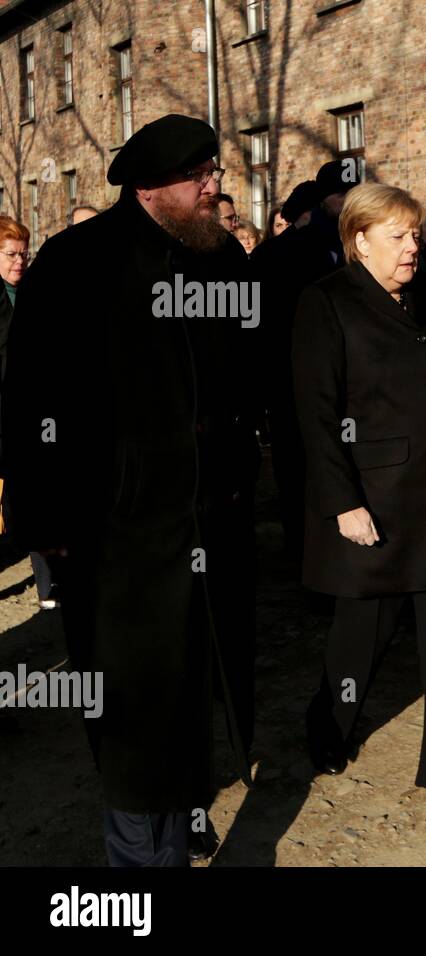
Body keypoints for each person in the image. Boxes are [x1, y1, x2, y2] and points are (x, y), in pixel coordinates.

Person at [1, 114, 260, 865]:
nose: (215, 185)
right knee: (130, 720)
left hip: (210, 529)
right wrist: (44, 515)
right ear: (150, 188)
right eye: (198, 175)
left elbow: (248, 376)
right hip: (114, 540)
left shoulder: (222, 262)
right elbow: (32, 401)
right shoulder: (77, 263)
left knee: (194, 705)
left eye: (215, 170)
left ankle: (180, 824)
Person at [293, 183, 426, 809]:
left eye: (415, 235)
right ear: (360, 241)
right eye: (399, 237)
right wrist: (342, 503)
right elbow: (316, 414)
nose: (413, 247)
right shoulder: (325, 305)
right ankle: (329, 727)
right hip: (372, 503)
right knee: (362, 638)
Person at [250, 163, 357, 561]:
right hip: (291, 384)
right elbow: (257, 328)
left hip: (347, 383)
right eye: (339, 195)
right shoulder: (275, 256)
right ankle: (308, 556)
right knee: (300, 473)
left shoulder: (357, 246)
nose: (347, 202)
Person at [0, 215, 56, 610]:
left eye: (24, 253)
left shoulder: (36, 292)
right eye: (10, 254)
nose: (19, 261)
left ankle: (48, 586)